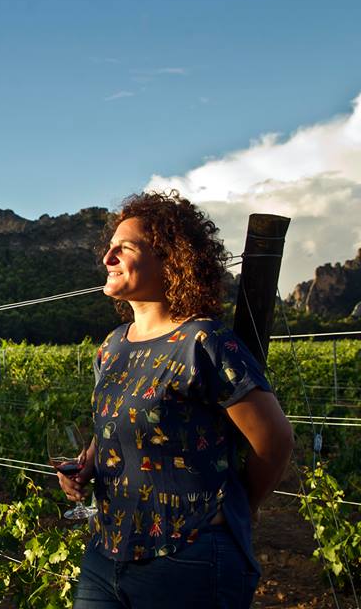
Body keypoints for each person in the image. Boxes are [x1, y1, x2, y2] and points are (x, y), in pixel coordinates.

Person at [57, 191, 294, 609]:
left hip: (187, 557)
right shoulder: (112, 346)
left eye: (125, 248)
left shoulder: (204, 342)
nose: (108, 257)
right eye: (109, 247)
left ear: (171, 260)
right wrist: (88, 463)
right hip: (106, 553)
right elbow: (113, 423)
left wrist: (238, 508)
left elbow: (274, 441)